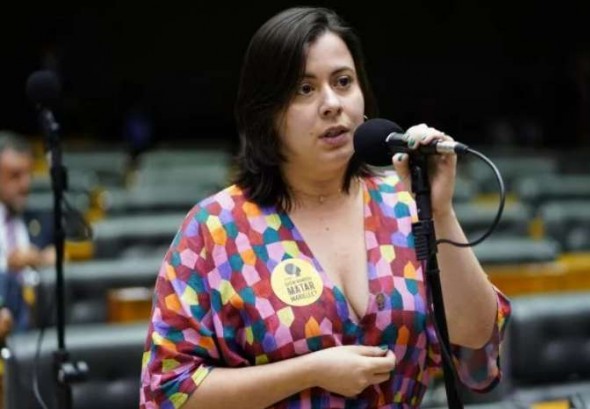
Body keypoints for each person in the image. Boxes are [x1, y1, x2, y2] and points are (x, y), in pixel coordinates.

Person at [140, 6, 511, 408]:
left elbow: (477, 349)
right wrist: (310, 371)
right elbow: (168, 393)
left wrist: (440, 212)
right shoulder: (216, 229)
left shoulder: (404, 205)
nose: (332, 103)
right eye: (304, 89)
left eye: (343, 81)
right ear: (265, 113)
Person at [0, 130, 55, 338]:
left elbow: (63, 254)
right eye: (15, 175)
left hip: (38, 325)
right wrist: (7, 264)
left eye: (28, 175)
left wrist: (41, 258)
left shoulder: (39, 220)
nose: (25, 185)